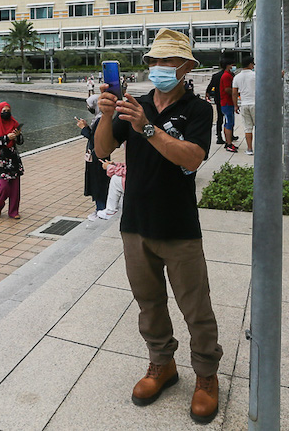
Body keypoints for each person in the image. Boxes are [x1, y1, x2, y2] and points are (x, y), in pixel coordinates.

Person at [94, 28, 222, 424]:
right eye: (156, 61)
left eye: (170, 61)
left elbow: (193, 158)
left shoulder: (199, 109)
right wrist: (106, 115)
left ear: (186, 67)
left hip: (179, 225)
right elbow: (101, 150)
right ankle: (161, 364)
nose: (161, 68)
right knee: (148, 303)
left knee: (195, 306)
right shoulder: (135, 103)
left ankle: (205, 375)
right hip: (136, 223)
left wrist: (148, 128)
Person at [0, 101, 23, 218]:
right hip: (1, 158)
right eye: (4, 111)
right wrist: (6, 138)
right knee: (4, 187)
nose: (6, 113)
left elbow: (20, 142)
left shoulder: (14, 122)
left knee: (15, 187)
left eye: (8, 111)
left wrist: (17, 135)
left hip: (13, 157)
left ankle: (14, 211)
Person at [78, 95, 110, 220]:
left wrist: (84, 129)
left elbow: (96, 139)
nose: (89, 108)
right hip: (96, 155)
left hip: (98, 156)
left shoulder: (101, 120)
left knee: (99, 182)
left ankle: (101, 209)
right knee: (97, 181)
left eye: (90, 105)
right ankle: (99, 208)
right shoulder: (98, 119)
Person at [232, 56, 256, 155]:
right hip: (256, 103)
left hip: (244, 104)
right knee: (259, 127)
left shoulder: (237, 77)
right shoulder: (255, 75)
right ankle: (260, 147)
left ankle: (249, 148)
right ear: (250, 64)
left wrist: (235, 105)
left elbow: (234, 93)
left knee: (247, 128)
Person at [205, 61, 229, 145]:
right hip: (227, 99)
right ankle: (230, 135)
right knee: (228, 117)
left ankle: (219, 136)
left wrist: (207, 93)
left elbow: (210, 86)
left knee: (220, 118)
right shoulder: (229, 75)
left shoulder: (216, 76)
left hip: (218, 99)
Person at [219, 58, 238, 152]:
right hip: (227, 103)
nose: (233, 67)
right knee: (228, 123)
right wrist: (236, 92)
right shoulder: (226, 76)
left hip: (228, 103)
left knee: (230, 123)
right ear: (228, 65)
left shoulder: (229, 75)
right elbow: (227, 89)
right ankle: (228, 143)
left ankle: (229, 142)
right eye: (232, 65)